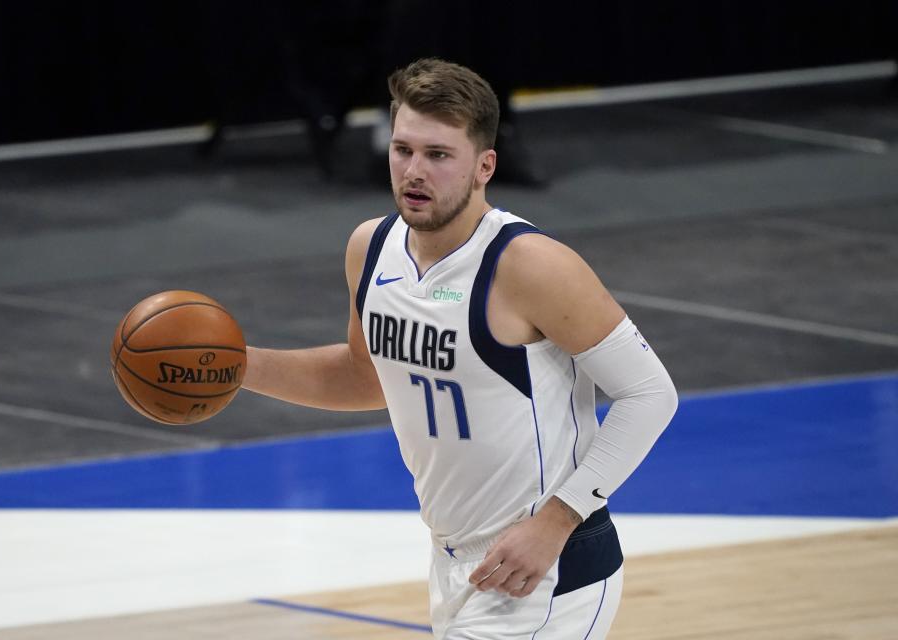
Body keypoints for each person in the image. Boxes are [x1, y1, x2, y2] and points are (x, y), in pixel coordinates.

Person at [242, 58, 678, 639]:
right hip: (453, 562)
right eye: (403, 150)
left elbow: (650, 393)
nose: (413, 171)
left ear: (484, 166)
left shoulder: (529, 265)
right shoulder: (371, 248)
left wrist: (556, 521)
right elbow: (363, 379)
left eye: (438, 155)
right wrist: (236, 366)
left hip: (548, 565)